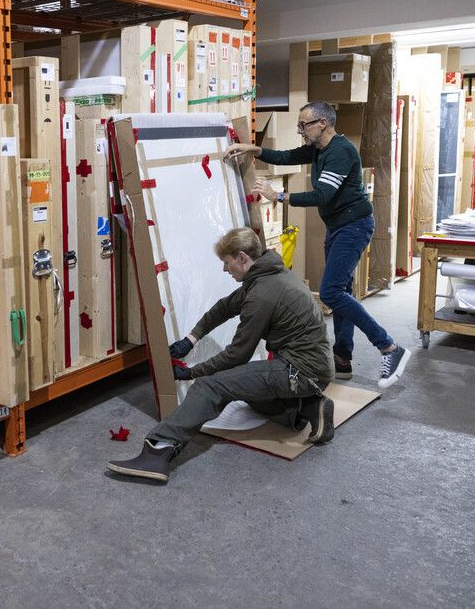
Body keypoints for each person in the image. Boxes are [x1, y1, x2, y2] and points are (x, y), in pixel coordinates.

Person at [107, 227, 334, 483]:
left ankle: (158, 450)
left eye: (227, 263)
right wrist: (190, 339)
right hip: (307, 366)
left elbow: (237, 355)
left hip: (300, 371)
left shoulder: (262, 294)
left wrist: (191, 373)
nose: (225, 270)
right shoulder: (268, 276)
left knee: (210, 387)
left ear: (241, 258)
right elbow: (224, 308)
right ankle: (308, 408)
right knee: (246, 392)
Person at [225, 100, 412, 389]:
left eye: (304, 125)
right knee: (342, 291)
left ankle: (389, 347)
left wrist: (280, 196)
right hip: (338, 227)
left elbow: (322, 195)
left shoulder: (341, 151)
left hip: (354, 226)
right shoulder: (319, 148)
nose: (300, 130)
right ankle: (342, 359)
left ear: (322, 123)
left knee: (331, 292)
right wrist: (257, 150)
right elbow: (288, 156)